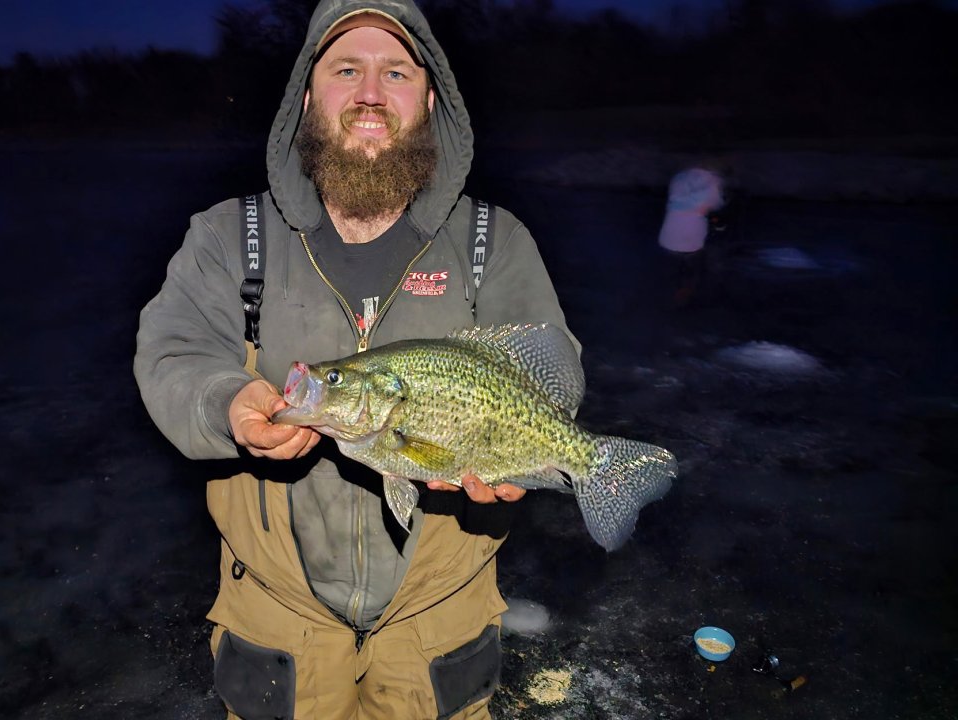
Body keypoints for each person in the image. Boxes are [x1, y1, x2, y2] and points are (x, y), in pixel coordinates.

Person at [134, 1, 576, 717]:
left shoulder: (496, 242)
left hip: (443, 618)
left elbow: (553, 371)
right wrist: (225, 402)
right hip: (276, 618)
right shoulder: (229, 236)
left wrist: (525, 454)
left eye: (395, 71)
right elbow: (172, 351)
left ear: (430, 101)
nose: (370, 92)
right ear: (308, 97)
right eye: (346, 69)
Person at [656, 162, 727, 308]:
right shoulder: (712, 183)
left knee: (674, 266)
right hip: (691, 241)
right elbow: (715, 206)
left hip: (667, 238)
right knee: (693, 266)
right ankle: (686, 295)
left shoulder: (679, 179)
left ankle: (673, 294)